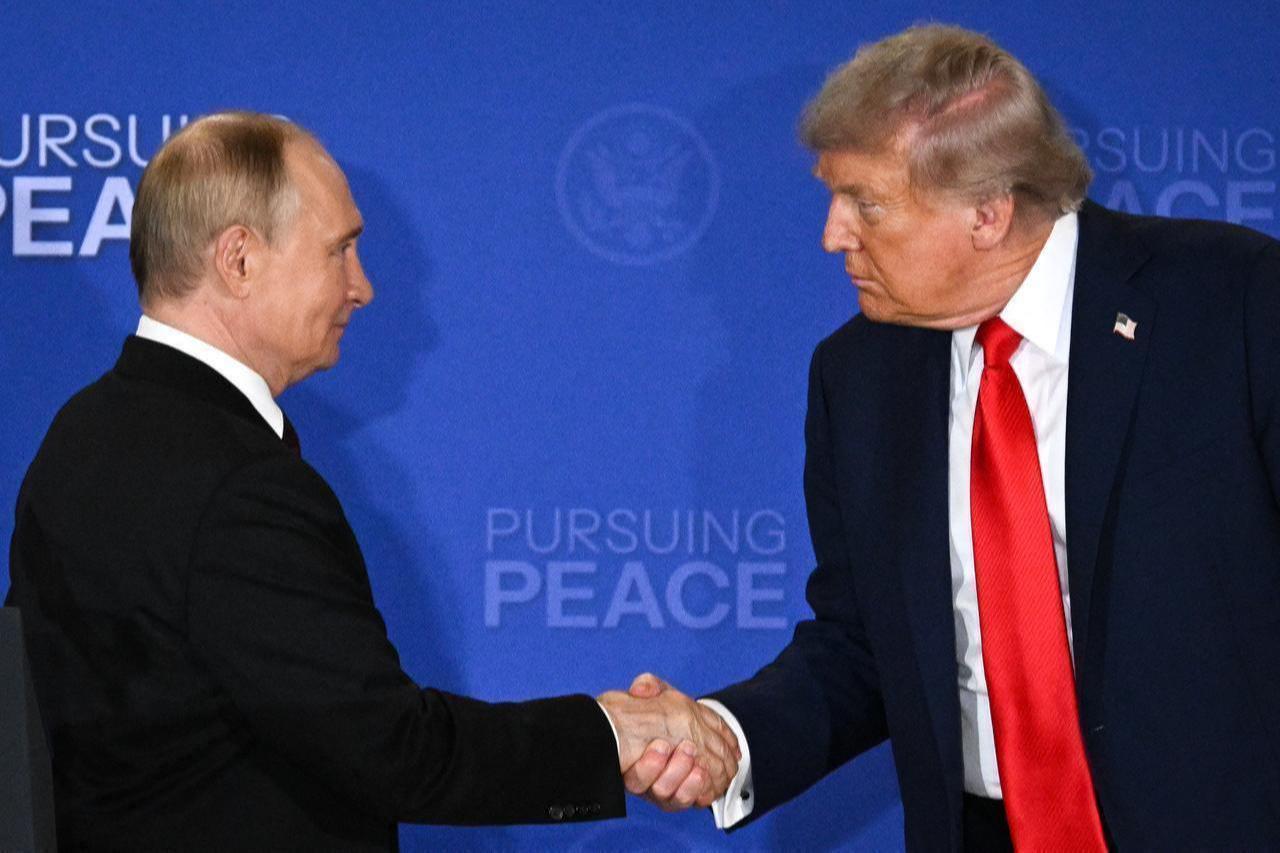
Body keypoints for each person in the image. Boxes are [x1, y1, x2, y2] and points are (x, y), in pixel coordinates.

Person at [619, 23, 1280, 851]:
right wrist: (729, 735)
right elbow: (863, 645)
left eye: (866, 201)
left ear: (988, 212)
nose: (833, 233)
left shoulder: (1235, 303)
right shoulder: (857, 377)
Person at [4, 111, 737, 851]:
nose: (364, 287)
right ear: (239, 260)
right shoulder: (235, 482)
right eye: (341, 250)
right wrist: (612, 734)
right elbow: (391, 748)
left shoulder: (81, 434)